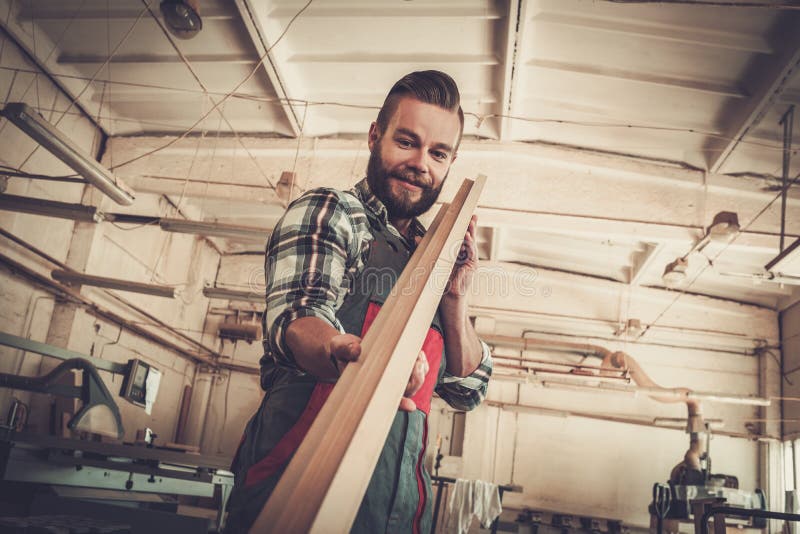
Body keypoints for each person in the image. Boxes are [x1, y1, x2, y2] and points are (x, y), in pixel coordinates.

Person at [225, 70, 493, 534]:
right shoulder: (334, 212)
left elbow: (467, 390)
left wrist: (455, 298)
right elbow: (298, 315)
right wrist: (352, 357)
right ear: (375, 136)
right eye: (406, 142)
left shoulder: (435, 261)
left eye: (438, 153)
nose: (420, 164)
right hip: (294, 496)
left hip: (396, 514)